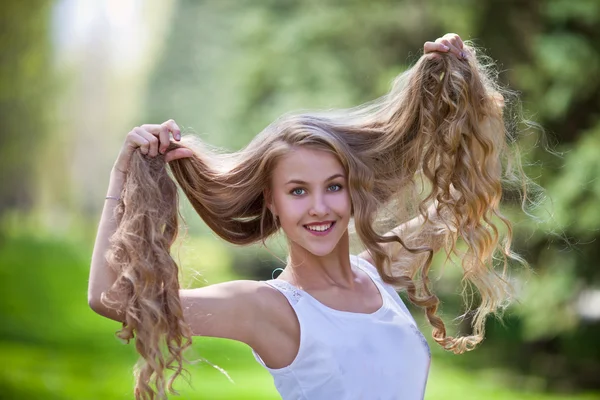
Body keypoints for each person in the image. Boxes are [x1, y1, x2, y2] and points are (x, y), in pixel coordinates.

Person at [88, 33, 526, 400]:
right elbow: (110, 300)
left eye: (334, 186)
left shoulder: (380, 270)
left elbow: (465, 198)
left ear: (353, 190)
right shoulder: (267, 309)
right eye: (298, 191)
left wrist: (461, 75)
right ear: (272, 202)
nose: (319, 206)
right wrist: (121, 175)